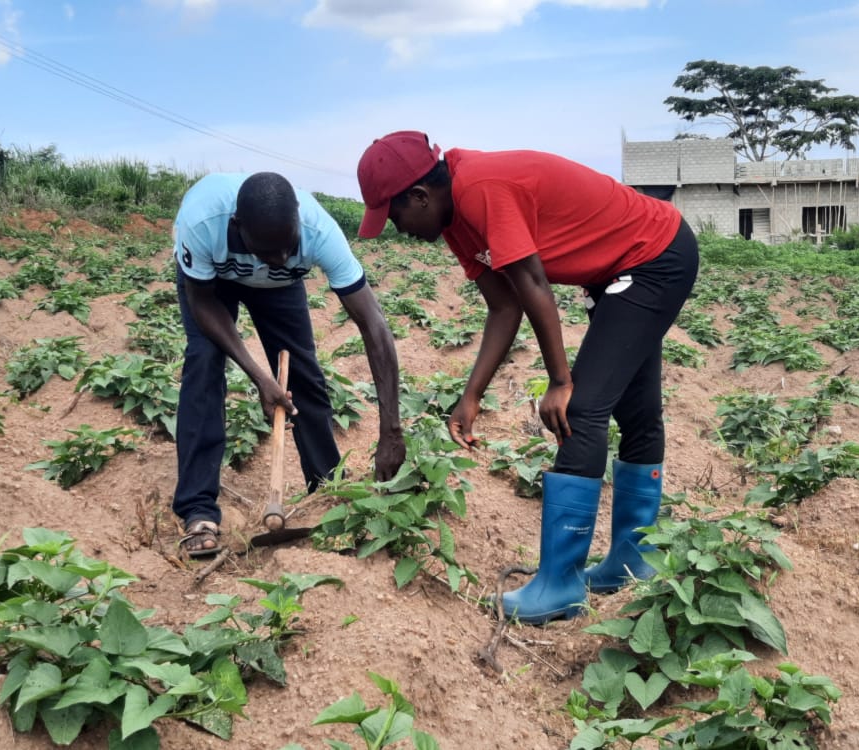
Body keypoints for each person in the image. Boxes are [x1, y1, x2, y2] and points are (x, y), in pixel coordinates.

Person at [356, 131, 698, 624]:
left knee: (581, 408)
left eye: (395, 217)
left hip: (654, 256)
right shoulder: (455, 220)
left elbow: (533, 281)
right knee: (634, 407)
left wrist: (560, 381)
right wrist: (471, 396)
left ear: (419, 196)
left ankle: (560, 583)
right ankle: (633, 561)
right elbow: (504, 303)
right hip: (624, 265)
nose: (398, 229)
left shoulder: (480, 189)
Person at [172, 171, 406, 558]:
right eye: (269, 249)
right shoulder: (203, 222)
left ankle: (328, 491)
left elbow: (374, 326)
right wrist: (260, 376)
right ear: (237, 227)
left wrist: (391, 431)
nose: (282, 258)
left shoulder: (319, 232)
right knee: (204, 363)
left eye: (289, 246)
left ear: (298, 224)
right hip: (211, 286)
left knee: (305, 377)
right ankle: (198, 508)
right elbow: (202, 303)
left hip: (279, 289)